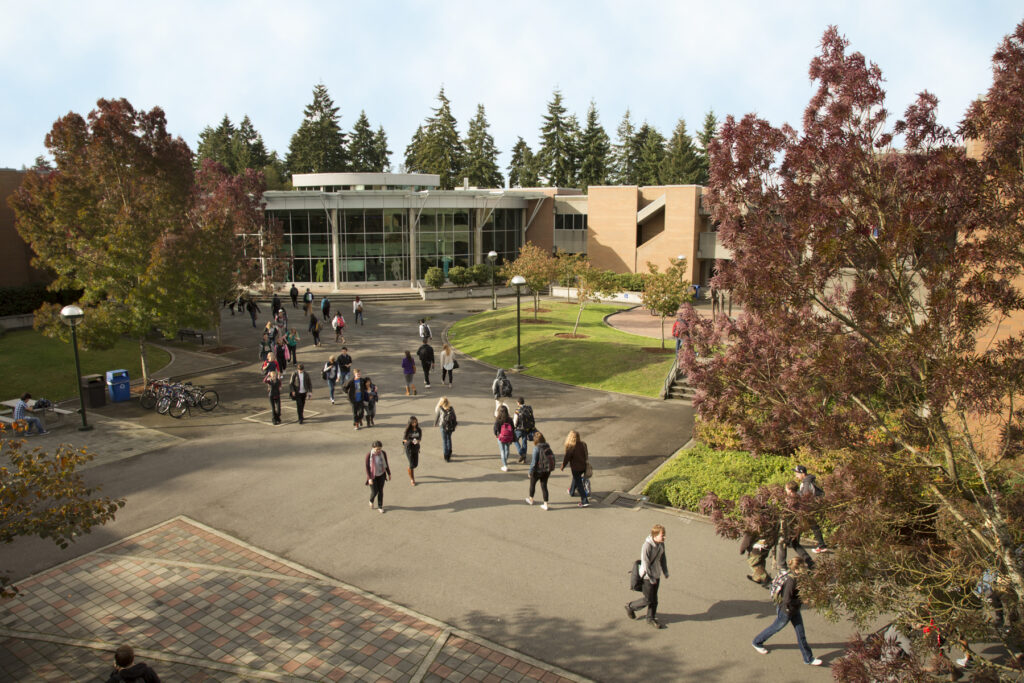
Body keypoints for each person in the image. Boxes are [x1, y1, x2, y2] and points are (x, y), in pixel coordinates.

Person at [752, 557, 823, 665]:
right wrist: (803, 600)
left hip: (794, 609)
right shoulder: (791, 581)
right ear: (797, 569)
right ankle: (757, 642)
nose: (806, 568)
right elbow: (786, 600)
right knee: (775, 627)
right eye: (803, 566)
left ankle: (808, 658)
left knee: (801, 634)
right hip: (786, 611)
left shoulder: (797, 577)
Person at [626, 524, 669, 629]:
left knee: (654, 599)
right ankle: (631, 606)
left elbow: (663, 558)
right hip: (647, 577)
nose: (664, 537)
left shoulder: (661, 544)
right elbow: (645, 563)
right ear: (655, 536)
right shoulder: (647, 546)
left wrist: (665, 571)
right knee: (648, 599)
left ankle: (650, 618)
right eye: (662, 535)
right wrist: (651, 578)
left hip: (656, 574)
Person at [777, 481, 815, 570]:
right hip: (797, 526)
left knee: (782, 543)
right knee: (795, 544)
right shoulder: (800, 498)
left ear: (790, 490)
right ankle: (810, 562)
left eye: (786, 489)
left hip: (789, 526)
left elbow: (786, 513)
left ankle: (781, 565)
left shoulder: (790, 500)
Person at [794, 465, 828, 553]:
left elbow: (805, 496)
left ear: (802, 473)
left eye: (797, 473)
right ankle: (821, 545)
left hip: (808, 507)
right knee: (810, 524)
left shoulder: (807, 482)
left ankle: (821, 545)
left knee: (809, 524)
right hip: (808, 507)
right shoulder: (806, 481)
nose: (795, 475)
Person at [525, 431, 555, 510]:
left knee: (532, 484)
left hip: (538, 470)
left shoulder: (536, 448)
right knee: (544, 486)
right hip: (547, 470)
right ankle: (545, 503)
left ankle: (531, 499)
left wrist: (530, 472)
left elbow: (533, 462)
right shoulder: (548, 447)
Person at [562, 430, 590, 507]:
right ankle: (571, 491)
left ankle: (584, 501)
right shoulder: (583, 444)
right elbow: (586, 454)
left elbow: (566, 458)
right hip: (583, 466)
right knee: (576, 478)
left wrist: (563, 466)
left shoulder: (571, 447)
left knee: (579, 483)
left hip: (575, 468)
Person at [365, 440, 391, 514]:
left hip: (381, 475)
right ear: (373, 448)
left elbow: (386, 463)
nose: (378, 450)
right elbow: (367, 467)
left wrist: (389, 473)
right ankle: (371, 500)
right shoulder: (369, 455)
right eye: (377, 449)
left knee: (380, 491)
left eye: (380, 449)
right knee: (374, 491)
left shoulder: (383, 453)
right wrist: (369, 478)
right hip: (373, 476)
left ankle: (380, 506)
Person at [513, 397, 536, 464]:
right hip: (527, 428)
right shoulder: (529, 408)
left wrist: (513, 427)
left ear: (518, 403)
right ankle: (524, 458)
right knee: (524, 442)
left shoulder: (517, 410)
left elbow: (515, 422)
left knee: (515, 439)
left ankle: (521, 453)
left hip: (519, 428)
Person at [433, 397, 456, 462]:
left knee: (444, 440)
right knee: (449, 438)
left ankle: (446, 455)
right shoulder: (451, 408)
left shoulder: (440, 409)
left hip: (443, 426)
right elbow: (454, 417)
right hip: (450, 426)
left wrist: (435, 423)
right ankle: (449, 452)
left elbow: (437, 417)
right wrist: (454, 425)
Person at [494, 404, 515, 472]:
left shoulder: (498, 420)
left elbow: (495, 428)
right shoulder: (509, 419)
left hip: (500, 437)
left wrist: (496, 434)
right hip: (508, 437)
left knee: (502, 450)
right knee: (507, 449)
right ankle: (505, 460)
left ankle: (505, 465)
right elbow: (513, 428)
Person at [402, 416, 422, 486]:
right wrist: (409, 441)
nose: (414, 424)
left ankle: (409, 468)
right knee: (412, 464)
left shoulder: (418, 429)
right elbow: (404, 439)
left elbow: (419, 438)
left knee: (415, 464)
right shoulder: (408, 430)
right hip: (409, 448)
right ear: (410, 423)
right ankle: (412, 479)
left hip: (416, 448)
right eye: (413, 422)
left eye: (415, 422)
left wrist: (416, 441)